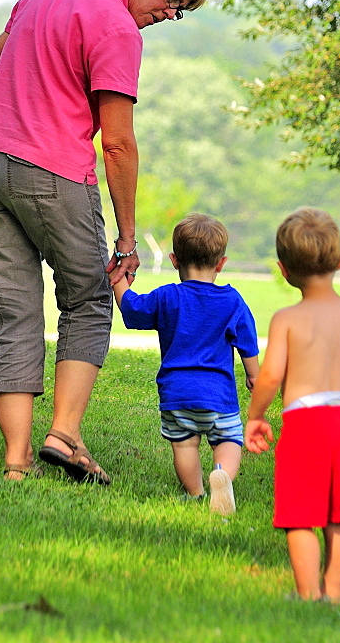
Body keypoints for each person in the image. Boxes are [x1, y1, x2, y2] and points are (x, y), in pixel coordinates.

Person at [0, 0, 208, 481]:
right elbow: (116, 145)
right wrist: (127, 240)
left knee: (12, 307)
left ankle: (16, 464)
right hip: (50, 171)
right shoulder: (116, 29)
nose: (170, 13)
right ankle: (63, 435)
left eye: (181, 9)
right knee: (90, 296)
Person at [245, 208, 340, 603]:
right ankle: (334, 595)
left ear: (284, 270)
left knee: (301, 517)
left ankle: (307, 595)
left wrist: (255, 416)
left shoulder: (287, 318)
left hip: (305, 426)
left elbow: (269, 376)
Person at [111, 213, 259, 513]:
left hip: (176, 394)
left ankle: (195, 494)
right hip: (219, 396)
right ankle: (223, 478)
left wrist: (119, 281)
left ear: (175, 260)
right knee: (228, 440)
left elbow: (132, 310)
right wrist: (254, 375)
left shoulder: (168, 296)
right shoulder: (232, 301)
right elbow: (247, 341)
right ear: (221, 263)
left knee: (185, 445)